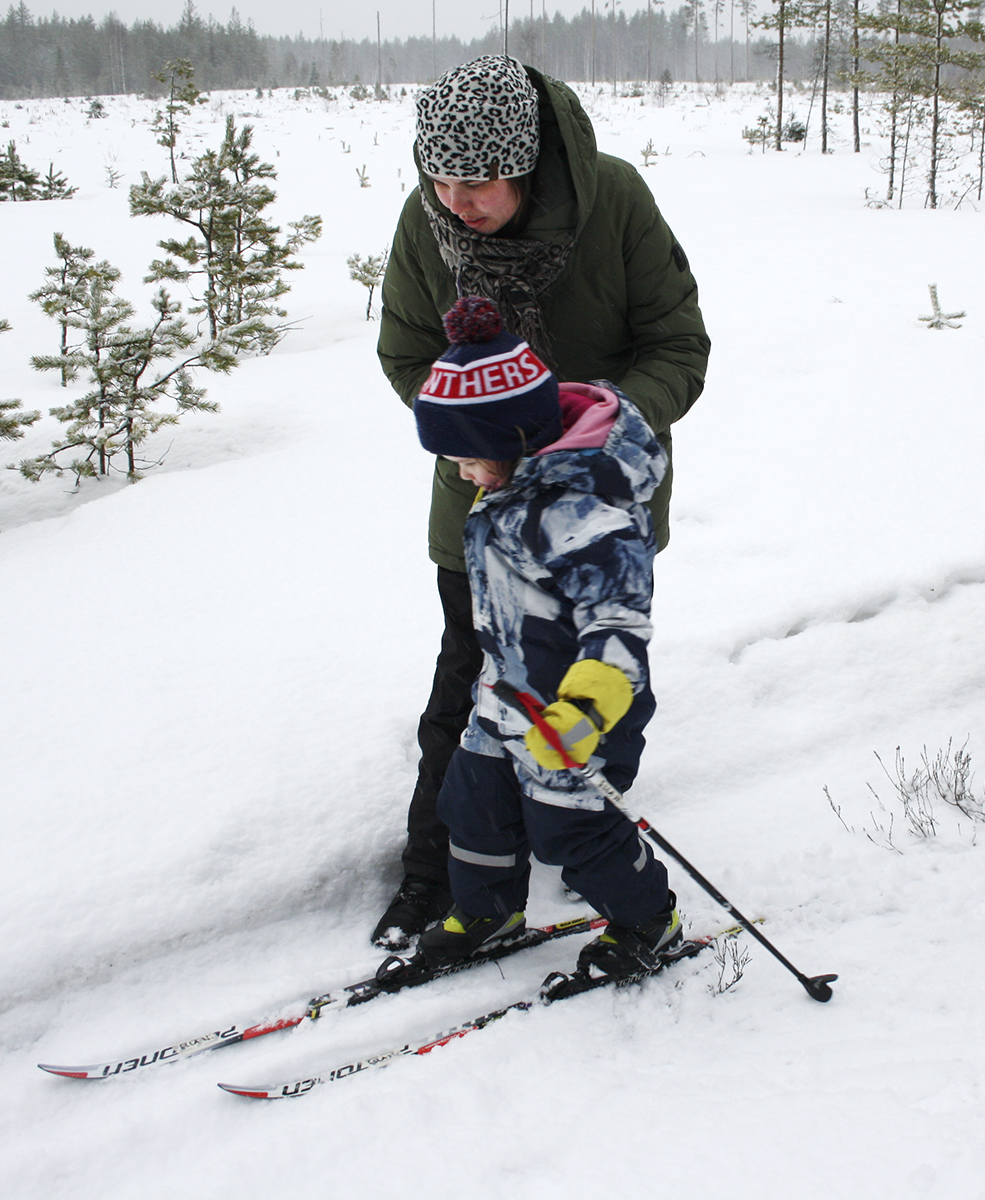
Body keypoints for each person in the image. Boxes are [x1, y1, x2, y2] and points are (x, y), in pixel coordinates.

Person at [374, 54, 708, 945]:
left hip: (597, 496)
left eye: (476, 179)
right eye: (437, 178)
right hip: (477, 508)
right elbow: (408, 356)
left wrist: (587, 438)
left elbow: (677, 342)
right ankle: (438, 878)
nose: (456, 200)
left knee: (597, 674)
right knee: (468, 691)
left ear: (523, 162)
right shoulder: (426, 221)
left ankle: (583, 819)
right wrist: (475, 436)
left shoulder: (616, 201)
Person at [405, 295, 680, 978]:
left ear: (517, 439)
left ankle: (649, 919)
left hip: (585, 712)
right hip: (509, 693)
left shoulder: (587, 513)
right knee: (471, 802)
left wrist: (584, 711)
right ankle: (489, 908)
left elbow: (618, 625)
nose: (462, 473)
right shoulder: (511, 488)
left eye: (468, 458)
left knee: (572, 827)